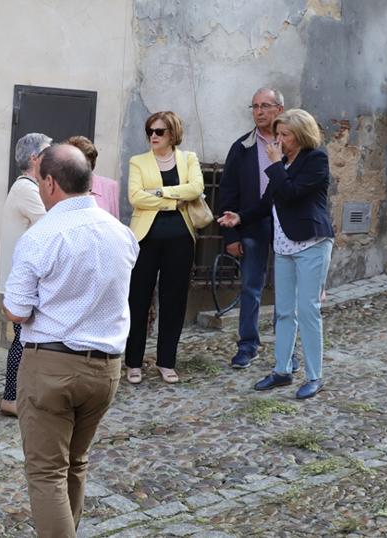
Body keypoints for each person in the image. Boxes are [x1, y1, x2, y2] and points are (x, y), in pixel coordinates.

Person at [2, 143, 139, 538]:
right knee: (75, 463)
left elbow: (17, 310)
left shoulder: (41, 236)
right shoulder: (121, 233)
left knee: (46, 472)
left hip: (52, 365)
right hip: (106, 368)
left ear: (49, 183)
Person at [217, 109, 335, 400]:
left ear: (301, 135)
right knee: (283, 311)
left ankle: (314, 375)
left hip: (311, 243)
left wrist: (273, 165)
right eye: (278, 134)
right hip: (284, 245)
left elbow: (292, 193)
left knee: (308, 311)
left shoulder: (315, 159)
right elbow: (266, 203)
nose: (278, 139)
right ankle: (282, 370)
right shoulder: (282, 163)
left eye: (285, 135)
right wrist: (239, 218)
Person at [125, 111, 204, 385]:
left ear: (172, 133)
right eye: (150, 131)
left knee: (174, 301)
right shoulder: (138, 161)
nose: (153, 136)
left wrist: (158, 193)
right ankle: (133, 362)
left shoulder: (188, 158)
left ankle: (166, 361)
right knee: (138, 300)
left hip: (181, 238)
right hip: (145, 239)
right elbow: (135, 197)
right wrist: (172, 199)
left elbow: (196, 188)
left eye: (159, 131)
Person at [218, 87, 286, 369]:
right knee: (250, 287)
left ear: (279, 110)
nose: (259, 112)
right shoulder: (242, 146)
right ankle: (248, 345)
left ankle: (287, 347)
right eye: (255, 106)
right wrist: (231, 235)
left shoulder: (293, 143)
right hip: (252, 223)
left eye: (265, 106)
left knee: (287, 288)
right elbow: (227, 194)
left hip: (287, 225)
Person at [0, 132, 51, 417]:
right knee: (23, 340)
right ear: (35, 158)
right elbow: (50, 223)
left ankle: (15, 396)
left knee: (24, 339)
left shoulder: (25, 188)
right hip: (21, 281)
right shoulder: (27, 189)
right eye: (48, 153)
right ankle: (10, 398)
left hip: (19, 278)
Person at [66, 135, 120, 219]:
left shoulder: (110, 186)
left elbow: (115, 222)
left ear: (92, 163)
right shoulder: (61, 186)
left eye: (84, 163)